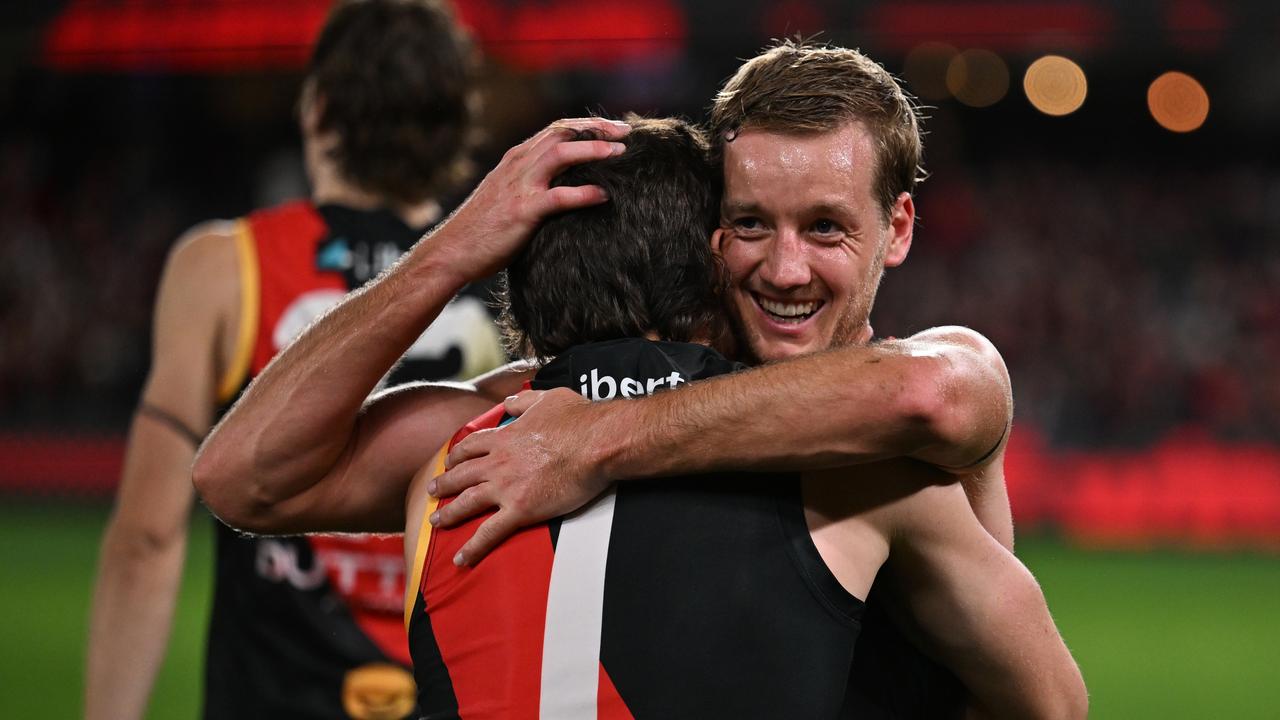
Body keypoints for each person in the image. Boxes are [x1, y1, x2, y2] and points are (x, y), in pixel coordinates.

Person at [194, 45, 1083, 715]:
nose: (783, 268)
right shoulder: (523, 422)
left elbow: (925, 392)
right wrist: (452, 251)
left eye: (824, 229)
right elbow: (238, 474)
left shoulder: (917, 397)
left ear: (897, 228)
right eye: (748, 223)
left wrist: (600, 439)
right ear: (704, 245)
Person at [84, 2, 503, 719]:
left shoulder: (224, 268)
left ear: (317, 111)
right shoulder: (509, 281)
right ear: (457, 128)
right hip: (453, 692)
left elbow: (149, 536)